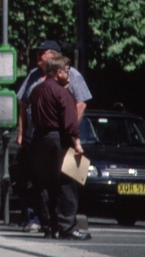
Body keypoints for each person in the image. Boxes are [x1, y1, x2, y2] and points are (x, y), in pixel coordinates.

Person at [15, 40, 92, 232]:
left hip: (50, 135)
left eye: (43, 53)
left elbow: (81, 105)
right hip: (52, 137)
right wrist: (74, 138)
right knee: (62, 182)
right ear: (58, 72)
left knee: (47, 182)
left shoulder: (67, 77)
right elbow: (23, 106)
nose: (38, 57)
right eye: (37, 53)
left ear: (54, 57)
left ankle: (50, 224)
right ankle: (63, 225)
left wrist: (70, 128)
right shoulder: (57, 89)